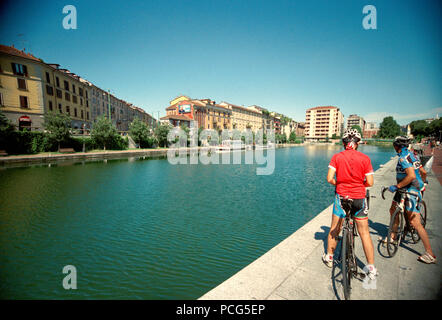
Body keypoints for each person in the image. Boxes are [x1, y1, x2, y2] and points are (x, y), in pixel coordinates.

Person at [323, 129, 378, 279]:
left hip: (341, 197)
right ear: (358, 143)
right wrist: (358, 184)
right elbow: (370, 183)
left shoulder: (337, 157)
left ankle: (329, 256)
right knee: (364, 232)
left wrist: (340, 183)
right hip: (359, 198)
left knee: (335, 228)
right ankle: (371, 267)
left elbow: (329, 178)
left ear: (343, 143)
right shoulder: (365, 158)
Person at [385, 136, 436, 264]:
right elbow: (423, 171)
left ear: (396, 146)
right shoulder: (413, 155)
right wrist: (423, 183)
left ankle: (429, 253)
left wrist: (396, 186)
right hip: (404, 189)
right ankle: (393, 235)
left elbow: (411, 175)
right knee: (393, 209)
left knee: (415, 222)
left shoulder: (403, 158)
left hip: (409, 189)